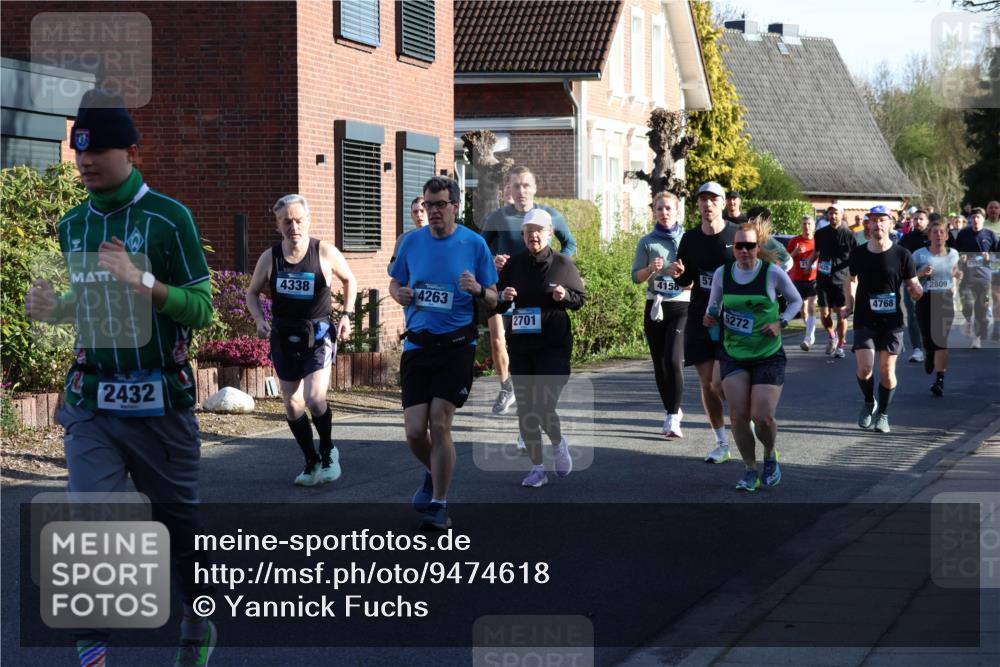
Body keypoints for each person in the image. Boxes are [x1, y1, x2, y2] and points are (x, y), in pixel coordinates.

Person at [24, 89, 218, 666]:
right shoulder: (73, 225)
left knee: (179, 530)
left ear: (131, 149)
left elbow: (204, 308)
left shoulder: (170, 217)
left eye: (99, 148)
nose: (85, 159)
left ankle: (197, 617)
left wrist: (147, 284)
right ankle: (93, 651)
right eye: (77, 148)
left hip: (162, 401)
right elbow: (89, 304)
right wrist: (53, 306)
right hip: (92, 403)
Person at [389, 176, 498, 530]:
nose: (431, 210)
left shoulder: (474, 243)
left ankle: (439, 504)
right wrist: (399, 294)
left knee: (439, 422)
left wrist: (478, 289)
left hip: (456, 347)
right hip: (418, 345)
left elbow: (495, 298)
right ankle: (434, 470)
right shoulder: (411, 242)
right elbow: (395, 281)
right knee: (413, 431)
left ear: (455, 206)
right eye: (427, 204)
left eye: (439, 204)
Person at [246, 194, 357, 486]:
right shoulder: (270, 257)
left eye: (298, 220)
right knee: (292, 404)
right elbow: (252, 292)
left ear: (307, 221)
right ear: (278, 224)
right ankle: (311, 460)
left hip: (318, 333)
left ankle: (329, 449)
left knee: (314, 397)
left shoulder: (325, 252)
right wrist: (259, 319)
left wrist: (346, 315)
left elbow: (350, 280)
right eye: (287, 221)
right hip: (284, 334)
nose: (293, 226)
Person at [704, 224, 802, 491]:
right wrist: (709, 316)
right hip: (734, 353)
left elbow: (796, 301)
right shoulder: (723, 274)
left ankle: (770, 455)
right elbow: (713, 305)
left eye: (749, 246)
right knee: (737, 416)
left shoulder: (772, 273)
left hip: (767, 355)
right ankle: (750, 469)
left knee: (762, 417)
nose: (744, 251)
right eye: (739, 246)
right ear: (733, 248)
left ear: (758, 248)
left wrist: (780, 323)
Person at [496, 209, 586, 486]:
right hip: (522, 345)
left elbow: (581, 299)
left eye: (539, 231)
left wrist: (565, 295)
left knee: (543, 405)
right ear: (522, 236)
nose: (533, 235)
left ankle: (558, 443)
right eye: (528, 232)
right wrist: (504, 295)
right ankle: (537, 468)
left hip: (553, 346)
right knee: (526, 408)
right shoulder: (514, 265)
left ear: (549, 233)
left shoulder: (562, 264)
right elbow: (497, 302)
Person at [482, 166, 577, 418]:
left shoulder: (550, 215)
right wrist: (493, 260)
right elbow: (479, 250)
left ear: (534, 188)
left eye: (526, 185)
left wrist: (556, 268)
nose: (521, 191)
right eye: (516, 186)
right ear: (508, 190)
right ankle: (507, 386)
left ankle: (530, 399)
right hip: (505, 286)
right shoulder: (497, 218)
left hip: (535, 290)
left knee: (528, 340)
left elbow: (570, 243)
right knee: (498, 340)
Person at [667, 181, 738, 463]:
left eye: (713, 200)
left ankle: (745, 422)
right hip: (700, 316)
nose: (707, 205)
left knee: (723, 384)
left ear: (723, 203)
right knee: (708, 383)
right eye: (702, 201)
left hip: (732, 318)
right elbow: (687, 280)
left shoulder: (737, 235)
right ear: (697, 205)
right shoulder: (690, 239)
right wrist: (678, 275)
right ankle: (721, 442)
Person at [845, 205, 923, 434]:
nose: (877, 224)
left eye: (882, 220)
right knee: (865, 368)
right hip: (864, 319)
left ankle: (884, 415)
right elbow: (850, 279)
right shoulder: (858, 253)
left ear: (890, 223)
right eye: (874, 220)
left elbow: (912, 283)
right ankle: (870, 401)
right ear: (867, 224)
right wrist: (849, 303)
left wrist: (917, 290)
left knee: (888, 370)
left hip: (892, 322)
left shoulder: (902, 254)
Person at [632, 191, 689, 437]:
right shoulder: (647, 242)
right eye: (659, 209)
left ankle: (672, 417)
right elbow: (636, 277)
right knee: (659, 363)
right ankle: (671, 408)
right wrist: (649, 269)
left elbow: (695, 280)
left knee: (674, 359)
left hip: (681, 305)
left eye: (668, 209)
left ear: (677, 211)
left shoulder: (687, 239)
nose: (664, 213)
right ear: (654, 212)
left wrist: (684, 275)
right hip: (655, 305)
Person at [912, 219, 962, 396]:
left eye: (942, 232)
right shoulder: (918, 255)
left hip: (945, 300)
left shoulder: (954, 254)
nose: (938, 235)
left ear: (947, 236)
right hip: (925, 299)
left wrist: (959, 274)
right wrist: (921, 273)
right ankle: (928, 352)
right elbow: (908, 278)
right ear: (929, 235)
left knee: (941, 340)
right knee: (927, 336)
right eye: (935, 232)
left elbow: (959, 272)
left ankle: (939, 379)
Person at [814, 202, 857, 358]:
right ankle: (832, 336)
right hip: (823, 279)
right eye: (830, 213)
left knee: (841, 315)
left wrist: (854, 275)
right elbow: (817, 252)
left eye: (836, 213)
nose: (833, 216)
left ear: (841, 214)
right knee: (824, 314)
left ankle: (840, 345)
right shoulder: (820, 233)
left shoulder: (849, 234)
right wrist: (809, 265)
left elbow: (855, 257)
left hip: (841, 280)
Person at [950, 207, 997, 348]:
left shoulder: (990, 235)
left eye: (978, 217)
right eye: (973, 218)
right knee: (968, 305)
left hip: (984, 278)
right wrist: (960, 258)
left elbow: (996, 254)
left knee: (981, 309)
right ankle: (970, 321)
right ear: (970, 220)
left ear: (983, 219)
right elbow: (954, 252)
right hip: (967, 277)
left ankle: (976, 338)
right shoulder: (964, 234)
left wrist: (990, 257)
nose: (976, 220)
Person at [899, 210, 930, 363]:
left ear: (927, 221)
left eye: (921, 219)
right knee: (913, 314)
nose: (918, 222)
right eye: (915, 219)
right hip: (911, 281)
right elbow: (898, 259)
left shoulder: (933, 237)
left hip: (932, 281)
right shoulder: (906, 239)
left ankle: (930, 345)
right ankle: (917, 349)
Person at [787, 215, 819, 350]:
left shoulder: (818, 241)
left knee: (811, 306)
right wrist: (795, 252)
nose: (807, 226)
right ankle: (809, 330)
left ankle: (809, 337)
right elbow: (786, 259)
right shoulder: (795, 241)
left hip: (813, 279)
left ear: (813, 226)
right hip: (798, 279)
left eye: (809, 224)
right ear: (801, 226)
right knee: (803, 309)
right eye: (804, 224)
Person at [387, 195, 429, 275]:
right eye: (415, 212)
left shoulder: (438, 237)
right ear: (411, 216)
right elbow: (391, 268)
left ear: (429, 213)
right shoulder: (403, 239)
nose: (419, 215)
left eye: (422, 211)